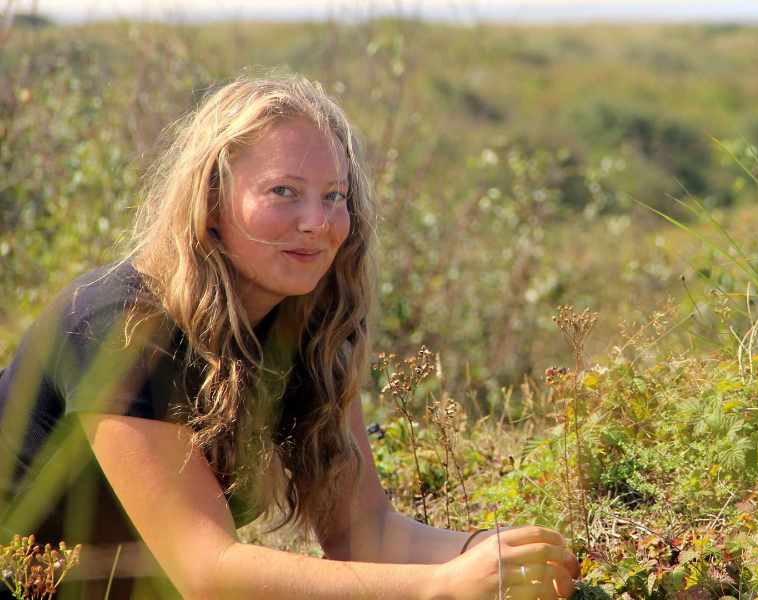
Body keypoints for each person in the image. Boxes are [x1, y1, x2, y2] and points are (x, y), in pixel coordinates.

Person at [0, 73, 580, 599]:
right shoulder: (118, 327)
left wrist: (491, 555)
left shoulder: (314, 327)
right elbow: (209, 573)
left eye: (334, 197)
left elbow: (364, 534)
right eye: (283, 192)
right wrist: (440, 586)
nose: (317, 222)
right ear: (210, 203)